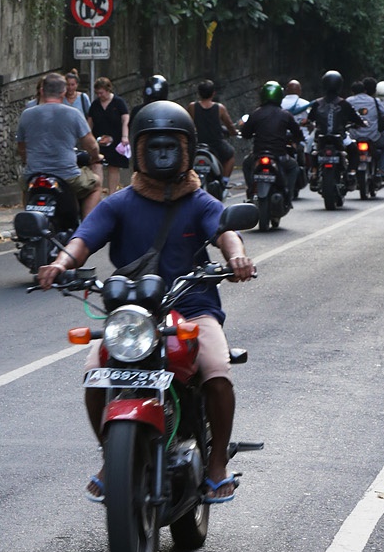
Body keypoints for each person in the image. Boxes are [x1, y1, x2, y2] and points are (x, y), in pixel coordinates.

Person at [36, 101, 255, 502]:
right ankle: (111, 455)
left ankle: (218, 461)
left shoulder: (199, 201)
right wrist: (59, 263)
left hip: (191, 308)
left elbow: (225, 231)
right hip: (134, 314)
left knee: (217, 371)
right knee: (96, 373)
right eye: (153, 146)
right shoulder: (119, 202)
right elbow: (83, 240)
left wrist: (235, 255)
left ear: (186, 149)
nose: (162, 153)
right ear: (138, 150)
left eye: (170, 145)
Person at [16, 71, 103, 220]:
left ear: (42, 90)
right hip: (67, 176)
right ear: (63, 92)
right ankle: (86, 231)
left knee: (27, 186)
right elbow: (91, 145)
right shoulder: (73, 114)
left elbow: (21, 147)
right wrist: (95, 157)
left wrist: (26, 161)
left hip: (34, 174)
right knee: (96, 184)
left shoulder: (27, 114)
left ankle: (32, 220)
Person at [240, 81, 303, 199]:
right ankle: (288, 195)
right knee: (294, 167)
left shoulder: (256, 114)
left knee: (246, 164)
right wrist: (296, 140)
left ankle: (251, 190)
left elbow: (245, 134)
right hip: (279, 155)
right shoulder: (285, 114)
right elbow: (297, 133)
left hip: (258, 154)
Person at [307, 70, 363, 179]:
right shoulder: (344, 103)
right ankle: (351, 172)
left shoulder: (317, 103)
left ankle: (313, 172)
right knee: (354, 151)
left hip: (320, 137)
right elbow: (356, 118)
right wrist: (361, 123)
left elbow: (310, 119)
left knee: (311, 150)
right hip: (340, 136)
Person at [88, 77, 130, 195]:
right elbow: (89, 123)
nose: (100, 95)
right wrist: (89, 138)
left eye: (101, 93)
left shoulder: (118, 102)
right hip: (99, 139)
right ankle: (98, 192)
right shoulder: (95, 105)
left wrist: (125, 136)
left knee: (114, 166)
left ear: (108, 90)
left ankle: (112, 194)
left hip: (115, 138)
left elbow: (125, 119)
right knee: (97, 164)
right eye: (97, 93)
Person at [191, 79, 236, 188]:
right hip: (216, 145)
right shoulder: (219, 108)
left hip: (199, 145)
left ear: (199, 93)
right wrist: (233, 132)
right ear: (213, 93)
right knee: (231, 155)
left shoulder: (192, 107)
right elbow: (230, 125)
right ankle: (224, 182)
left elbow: (189, 124)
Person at [347, 75, 384, 179]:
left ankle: (349, 170)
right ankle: (382, 170)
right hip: (373, 136)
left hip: (353, 137)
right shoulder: (375, 101)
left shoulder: (348, 101)